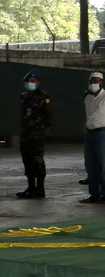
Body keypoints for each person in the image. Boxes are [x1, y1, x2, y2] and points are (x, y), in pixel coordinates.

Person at [81, 72, 105, 203]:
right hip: (90, 133)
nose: (93, 84)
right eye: (91, 81)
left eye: (96, 81)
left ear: (101, 82)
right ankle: (94, 194)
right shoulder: (88, 98)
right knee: (90, 165)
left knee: (104, 165)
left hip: (103, 132)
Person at [16, 69, 52, 198]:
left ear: (38, 83)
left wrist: (46, 127)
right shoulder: (24, 96)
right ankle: (31, 187)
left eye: (33, 81)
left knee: (37, 160)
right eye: (28, 81)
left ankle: (40, 189)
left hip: (37, 133)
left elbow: (49, 113)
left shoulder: (44, 96)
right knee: (27, 159)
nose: (30, 83)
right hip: (26, 132)